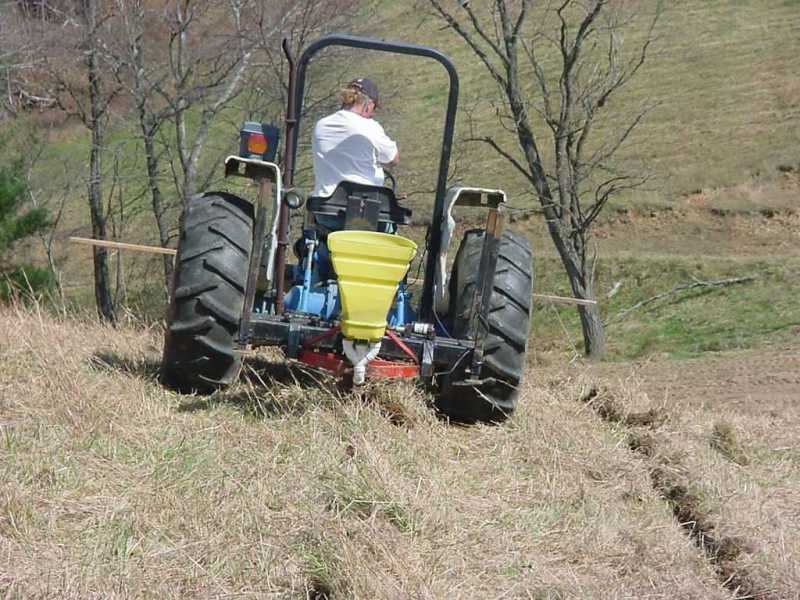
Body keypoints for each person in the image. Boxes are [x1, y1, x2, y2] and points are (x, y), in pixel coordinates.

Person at [311, 78, 399, 198]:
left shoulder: (320, 125)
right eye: (373, 109)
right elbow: (393, 159)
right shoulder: (369, 126)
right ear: (368, 105)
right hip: (361, 206)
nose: (372, 114)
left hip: (324, 207)